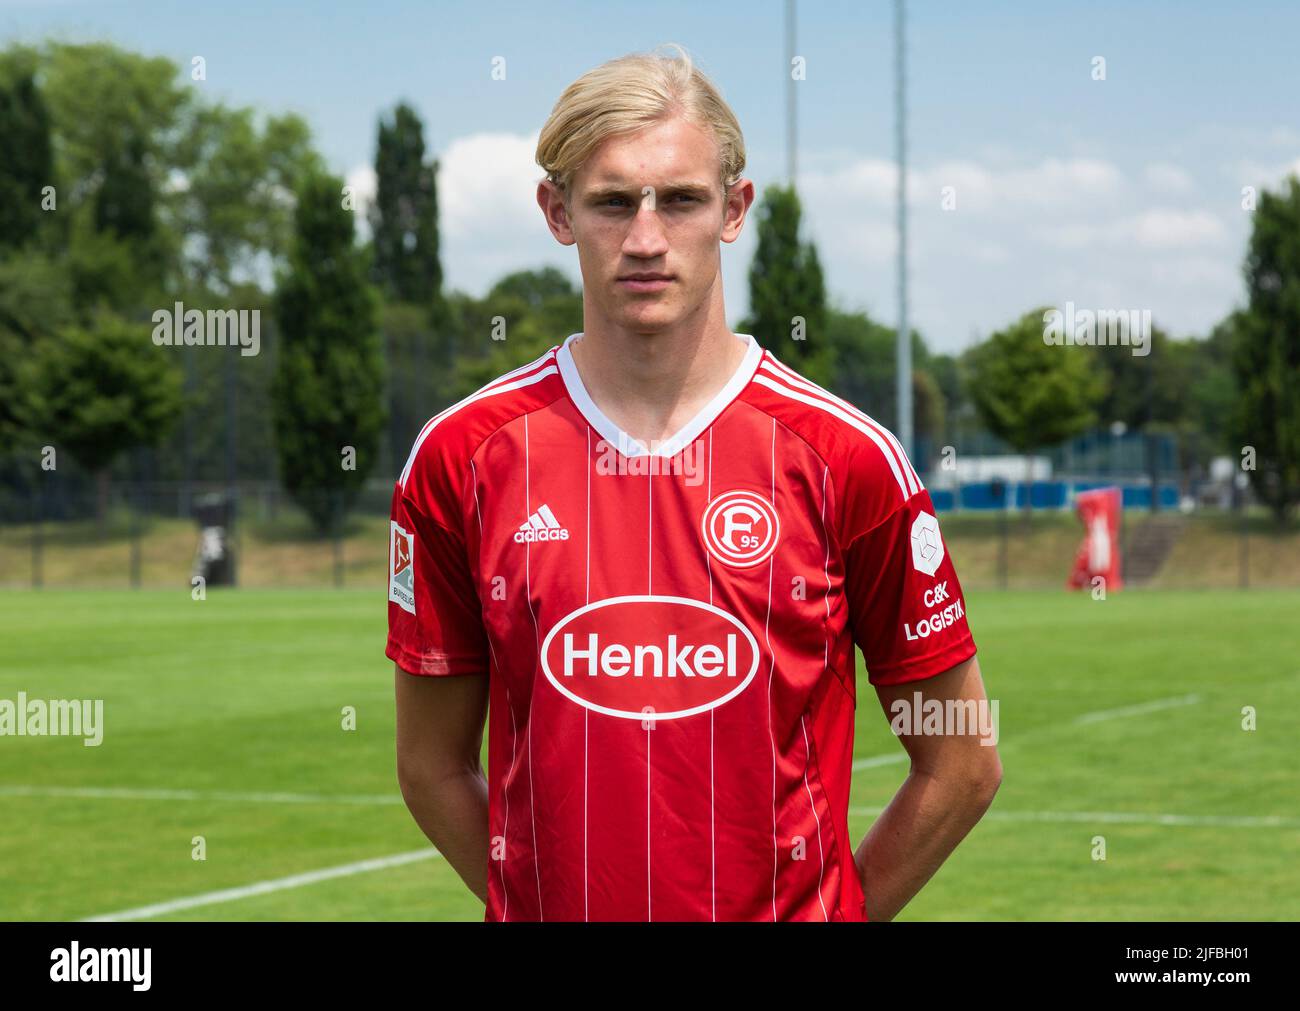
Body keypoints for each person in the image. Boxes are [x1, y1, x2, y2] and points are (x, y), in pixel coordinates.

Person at [388, 43, 1000, 922]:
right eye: (610, 202)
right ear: (556, 212)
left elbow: (962, 759)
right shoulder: (462, 457)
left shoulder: (844, 458)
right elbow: (431, 765)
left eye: (679, 199)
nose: (645, 238)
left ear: (734, 209)